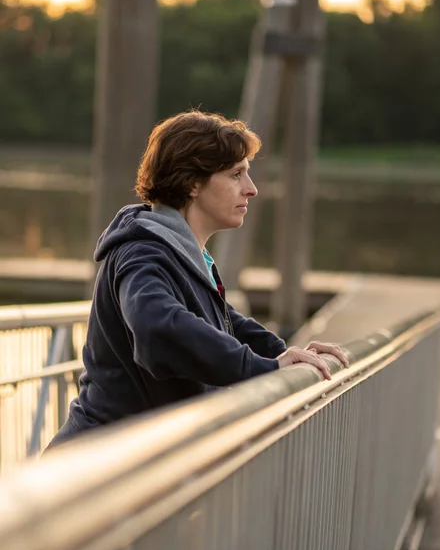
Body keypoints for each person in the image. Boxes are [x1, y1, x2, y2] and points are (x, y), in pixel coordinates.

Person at [47, 110, 348, 449]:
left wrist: (285, 354)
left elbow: (223, 321)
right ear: (193, 182)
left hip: (132, 459)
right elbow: (158, 326)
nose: (252, 189)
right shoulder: (142, 252)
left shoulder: (184, 252)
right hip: (94, 468)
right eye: (236, 175)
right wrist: (260, 368)